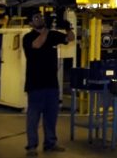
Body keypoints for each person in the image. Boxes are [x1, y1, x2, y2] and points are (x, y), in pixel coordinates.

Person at [22, 13, 75, 156]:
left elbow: (70, 38)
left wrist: (68, 28)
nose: (40, 19)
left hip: (51, 84)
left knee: (51, 116)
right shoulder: (28, 37)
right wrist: (47, 30)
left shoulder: (52, 35)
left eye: (40, 17)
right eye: (36, 18)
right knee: (33, 117)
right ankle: (32, 146)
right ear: (30, 23)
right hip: (35, 84)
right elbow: (37, 44)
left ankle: (50, 143)